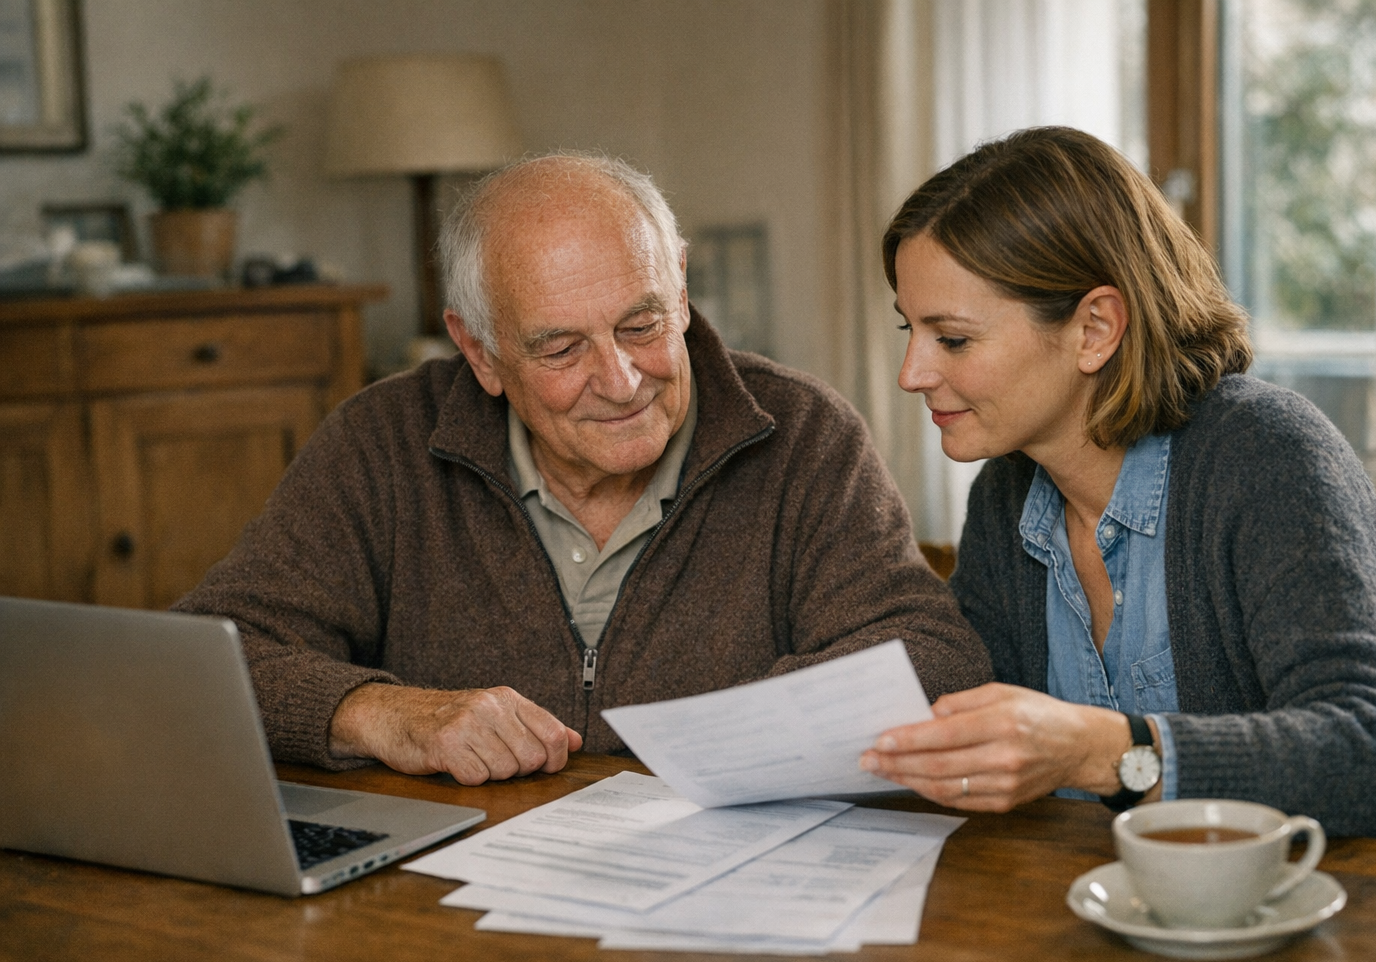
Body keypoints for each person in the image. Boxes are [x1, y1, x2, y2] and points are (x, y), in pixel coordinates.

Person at [857, 127, 1376, 962]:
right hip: (1200, 955)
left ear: (1096, 327)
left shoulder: (1265, 455)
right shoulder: (1005, 496)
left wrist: (1115, 750)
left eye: (951, 338)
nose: (913, 372)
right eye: (912, 331)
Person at [175, 153, 991, 786]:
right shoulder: (381, 442)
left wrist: (718, 731)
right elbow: (204, 659)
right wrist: (386, 714)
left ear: (678, 280)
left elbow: (931, 655)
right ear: (479, 352)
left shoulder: (803, 435)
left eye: (642, 324)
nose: (623, 381)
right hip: (445, 917)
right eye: (561, 348)